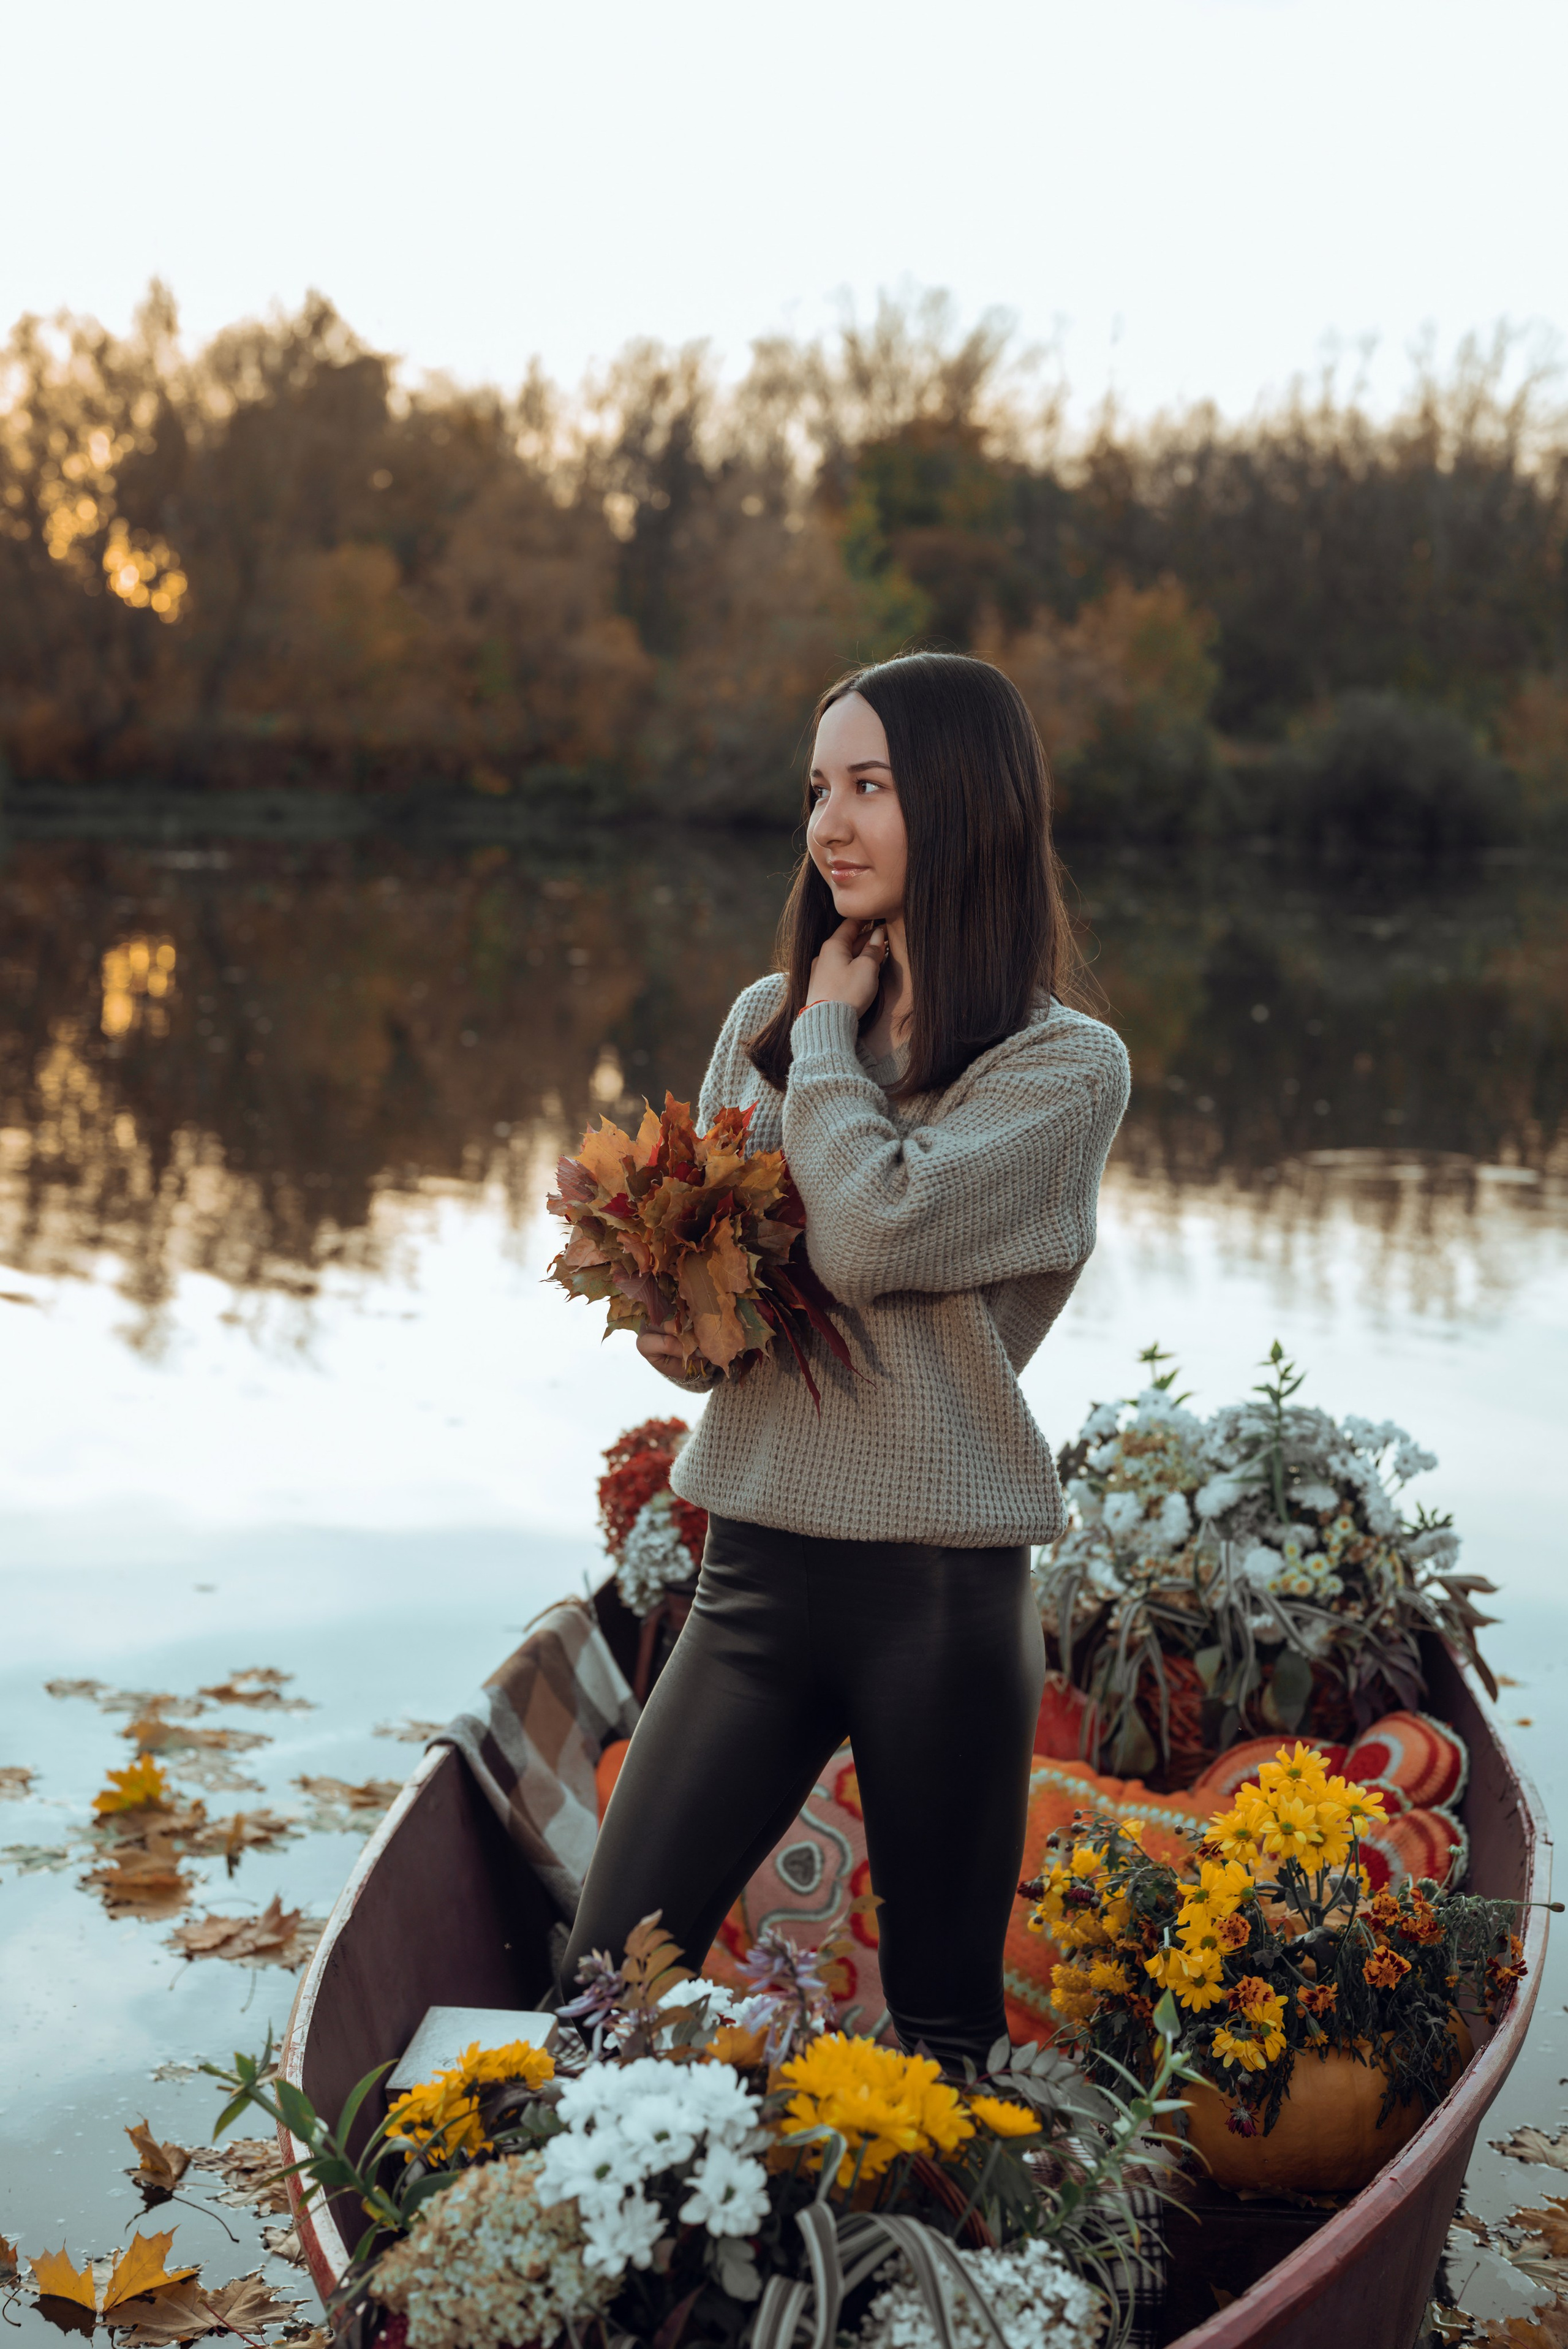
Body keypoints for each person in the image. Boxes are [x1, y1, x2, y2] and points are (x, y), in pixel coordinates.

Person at [560, 652, 1131, 2070]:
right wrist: (670, 1307)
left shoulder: (1058, 1067)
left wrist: (823, 1034)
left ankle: (934, 2291)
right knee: (600, 1980)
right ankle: (613, 2272)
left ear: (965, 805)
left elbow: (874, 1231)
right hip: (753, 1568)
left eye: (870, 786)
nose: (831, 823)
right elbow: (717, 1338)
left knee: (938, 2027)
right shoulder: (756, 1022)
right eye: (819, 787)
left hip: (931, 1594)